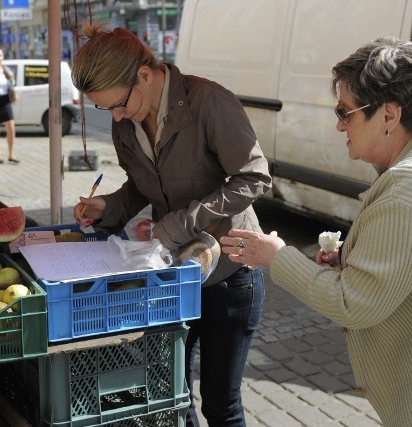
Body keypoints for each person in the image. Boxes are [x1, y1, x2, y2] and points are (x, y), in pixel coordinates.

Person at [221, 36, 412, 427]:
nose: (338, 124)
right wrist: (353, 255)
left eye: (346, 112)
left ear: (389, 115)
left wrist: (276, 256)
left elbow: (354, 305)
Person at [71, 25, 272, 426]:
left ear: (144, 74)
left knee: (220, 402)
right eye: (104, 109)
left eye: (118, 104)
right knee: (169, 393)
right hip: (172, 274)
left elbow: (254, 179)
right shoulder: (125, 120)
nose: (115, 117)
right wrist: (106, 206)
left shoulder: (208, 101)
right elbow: (141, 186)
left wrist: (178, 224)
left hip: (230, 272)